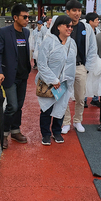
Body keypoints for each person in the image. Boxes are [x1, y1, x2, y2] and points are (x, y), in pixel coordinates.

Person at [0, 4, 32, 149]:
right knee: (12, 105)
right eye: (25, 17)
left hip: (23, 74)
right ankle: (2, 134)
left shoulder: (26, 33)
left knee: (19, 106)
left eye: (29, 17)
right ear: (15, 17)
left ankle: (15, 131)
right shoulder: (3, 32)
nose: (28, 19)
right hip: (9, 75)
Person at [36, 15, 77, 145]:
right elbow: (42, 63)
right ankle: (46, 134)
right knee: (46, 109)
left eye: (71, 26)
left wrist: (67, 81)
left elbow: (72, 64)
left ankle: (57, 132)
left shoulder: (72, 43)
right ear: (58, 26)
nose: (70, 28)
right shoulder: (49, 42)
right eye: (67, 26)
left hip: (64, 82)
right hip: (49, 82)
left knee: (61, 107)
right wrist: (53, 80)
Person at [61, 0, 98, 134]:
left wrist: (87, 67)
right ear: (68, 11)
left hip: (80, 67)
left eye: (79, 11)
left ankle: (77, 121)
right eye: (74, 11)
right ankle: (65, 122)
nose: (77, 13)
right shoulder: (61, 26)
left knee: (80, 97)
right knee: (63, 96)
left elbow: (92, 48)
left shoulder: (86, 27)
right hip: (64, 68)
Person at [85, 12, 101, 107]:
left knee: (96, 79)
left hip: (96, 58)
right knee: (86, 81)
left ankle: (95, 99)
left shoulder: (98, 31)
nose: (98, 22)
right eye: (96, 20)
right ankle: (84, 99)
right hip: (86, 59)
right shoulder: (85, 31)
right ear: (90, 21)